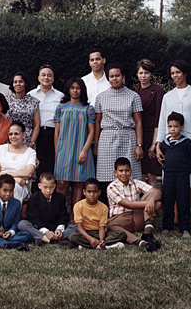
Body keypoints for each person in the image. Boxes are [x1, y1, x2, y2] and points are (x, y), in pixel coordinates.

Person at [155, 60, 191, 233]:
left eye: (178, 72)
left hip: (190, 142)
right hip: (170, 146)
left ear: (185, 73)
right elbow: (163, 122)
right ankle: (175, 218)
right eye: (172, 73)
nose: (175, 76)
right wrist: (158, 145)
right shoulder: (167, 96)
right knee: (172, 184)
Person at [93, 63, 144, 204]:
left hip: (128, 137)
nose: (114, 79)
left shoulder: (133, 96)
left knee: (128, 174)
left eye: (117, 75)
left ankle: (131, 211)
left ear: (123, 77)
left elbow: (138, 122)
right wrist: (96, 143)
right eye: (111, 76)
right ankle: (107, 213)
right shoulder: (101, 97)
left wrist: (139, 144)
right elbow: (97, 122)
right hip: (107, 138)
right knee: (106, 176)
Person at [54, 77, 95, 207]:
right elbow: (57, 132)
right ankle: (60, 215)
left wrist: (84, 151)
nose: (75, 91)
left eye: (78, 88)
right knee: (61, 183)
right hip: (63, 150)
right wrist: (57, 151)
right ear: (68, 90)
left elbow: (92, 132)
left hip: (82, 150)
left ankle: (75, 217)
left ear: (82, 90)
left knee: (79, 183)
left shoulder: (88, 109)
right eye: (72, 88)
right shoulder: (61, 108)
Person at [106, 157, 162, 251]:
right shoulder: (112, 187)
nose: (124, 173)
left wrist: (151, 201)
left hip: (137, 216)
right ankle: (142, 242)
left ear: (131, 171)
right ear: (115, 172)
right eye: (121, 171)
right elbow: (128, 204)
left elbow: (157, 192)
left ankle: (148, 232)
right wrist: (152, 204)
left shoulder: (135, 183)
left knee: (152, 194)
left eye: (127, 170)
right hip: (121, 218)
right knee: (111, 226)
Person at [159, 112, 191, 238]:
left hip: (182, 176)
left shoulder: (186, 143)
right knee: (168, 201)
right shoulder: (165, 143)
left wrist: (184, 171)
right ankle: (167, 227)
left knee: (183, 201)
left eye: (175, 126)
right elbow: (162, 158)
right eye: (170, 126)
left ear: (182, 127)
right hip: (169, 176)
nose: (172, 129)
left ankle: (185, 228)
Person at [18, 172, 76, 246]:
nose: (48, 190)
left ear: (54, 186)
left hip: (55, 228)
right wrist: (45, 232)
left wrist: (59, 229)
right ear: (39, 186)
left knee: (75, 226)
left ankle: (56, 238)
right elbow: (34, 218)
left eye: (51, 187)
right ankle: (43, 237)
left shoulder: (60, 197)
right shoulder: (34, 198)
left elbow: (63, 216)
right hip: (41, 229)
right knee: (22, 224)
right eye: (45, 187)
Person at [68, 178, 127, 250]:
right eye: (89, 192)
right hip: (86, 233)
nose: (92, 195)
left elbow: (101, 227)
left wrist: (102, 240)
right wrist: (89, 238)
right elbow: (79, 227)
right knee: (72, 236)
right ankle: (106, 246)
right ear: (84, 192)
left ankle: (92, 246)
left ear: (99, 192)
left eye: (95, 192)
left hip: (99, 232)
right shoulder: (78, 205)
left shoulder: (103, 207)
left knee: (122, 234)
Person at [28, 64, 64, 180]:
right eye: (43, 75)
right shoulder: (31, 95)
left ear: (53, 79)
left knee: (51, 164)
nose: (46, 78)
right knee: (35, 163)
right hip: (35, 134)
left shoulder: (60, 96)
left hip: (53, 133)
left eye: (49, 75)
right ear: (39, 78)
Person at [134, 59, 164, 187]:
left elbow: (159, 118)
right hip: (137, 137)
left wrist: (154, 144)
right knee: (139, 174)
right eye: (140, 73)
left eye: (146, 73)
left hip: (152, 134)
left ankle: (154, 204)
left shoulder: (158, 91)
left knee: (151, 174)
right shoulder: (134, 92)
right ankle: (141, 205)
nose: (143, 76)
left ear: (151, 74)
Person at [5, 72, 40, 148]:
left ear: (26, 83)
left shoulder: (34, 102)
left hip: (28, 140)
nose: (18, 84)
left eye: (21, 82)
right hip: (10, 139)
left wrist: (32, 142)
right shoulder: (7, 100)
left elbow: (36, 125)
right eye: (15, 82)